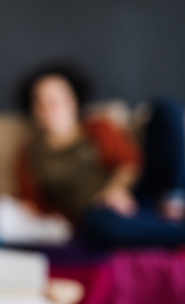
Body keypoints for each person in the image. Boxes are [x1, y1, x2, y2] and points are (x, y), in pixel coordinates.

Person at [16, 64, 185, 246]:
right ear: (34, 111)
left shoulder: (97, 128)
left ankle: (172, 201)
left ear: (73, 102)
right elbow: (36, 207)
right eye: (41, 102)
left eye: (57, 100)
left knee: (165, 109)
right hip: (98, 216)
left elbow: (130, 163)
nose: (50, 108)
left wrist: (114, 191)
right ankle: (173, 228)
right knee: (98, 224)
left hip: (135, 194)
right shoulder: (29, 156)